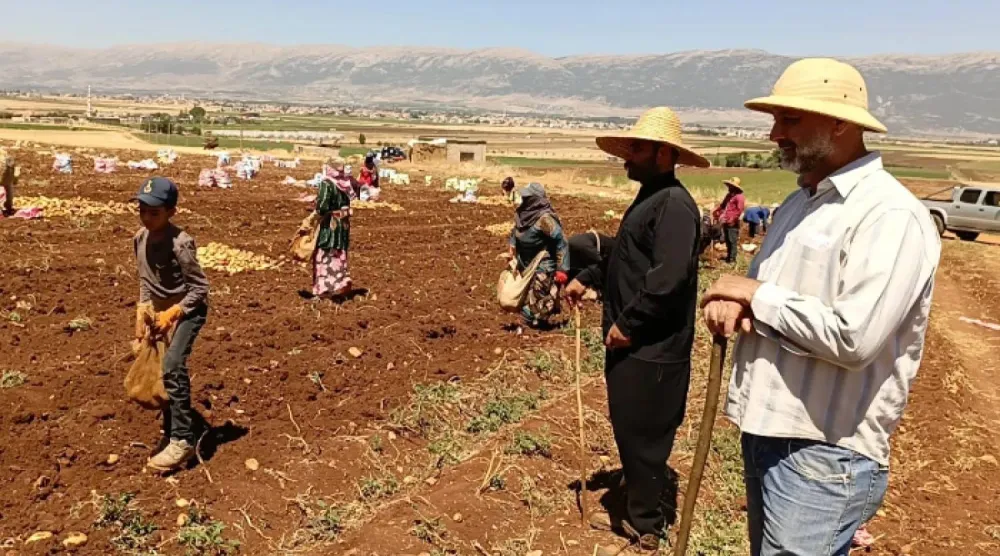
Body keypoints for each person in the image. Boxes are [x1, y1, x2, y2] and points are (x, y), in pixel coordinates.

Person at [702, 58, 940, 556]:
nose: (773, 134)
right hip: (769, 432)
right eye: (775, 120)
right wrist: (741, 306)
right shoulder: (798, 205)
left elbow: (855, 336)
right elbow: (783, 302)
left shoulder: (888, 215)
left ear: (839, 123)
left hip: (826, 451)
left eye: (789, 120)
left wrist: (754, 294)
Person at [563, 107, 706, 551]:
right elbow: (625, 257)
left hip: (653, 348)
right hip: (636, 344)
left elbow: (667, 280)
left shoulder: (675, 206)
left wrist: (628, 324)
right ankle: (640, 490)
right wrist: (587, 278)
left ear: (664, 153)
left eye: (637, 150)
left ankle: (646, 525)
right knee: (631, 424)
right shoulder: (650, 196)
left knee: (644, 432)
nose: (627, 158)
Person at [132, 177, 210, 471]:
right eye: (142, 210)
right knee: (161, 372)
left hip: (189, 310)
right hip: (160, 312)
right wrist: (143, 308)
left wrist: (175, 313)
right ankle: (171, 428)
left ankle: (183, 441)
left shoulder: (181, 244)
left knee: (173, 366)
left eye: (154, 212)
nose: (147, 217)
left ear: (171, 212)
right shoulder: (140, 238)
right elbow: (145, 277)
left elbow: (200, 289)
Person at [509, 183, 570, 326]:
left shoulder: (545, 219)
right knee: (527, 295)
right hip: (525, 261)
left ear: (535, 200)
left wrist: (562, 269)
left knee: (539, 296)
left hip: (543, 262)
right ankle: (536, 317)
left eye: (527, 197)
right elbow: (515, 231)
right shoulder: (522, 214)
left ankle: (528, 320)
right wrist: (511, 246)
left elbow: (562, 242)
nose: (524, 199)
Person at [305, 161, 354, 299]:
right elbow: (346, 204)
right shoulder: (345, 183)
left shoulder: (327, 184)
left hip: (330, 226)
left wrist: (315, 208)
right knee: (338, 253)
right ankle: (340, 281)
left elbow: (322, 207)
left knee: (324, 254)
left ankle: (323, 290)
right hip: (342, 226)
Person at [713, 177, 746, 263]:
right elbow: (723, 205)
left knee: (732, 240)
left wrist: (732, 220)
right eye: (729, 185)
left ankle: (732, 259)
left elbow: (739, 210)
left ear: (735, 187)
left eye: (730, 186)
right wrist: (716, 210)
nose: (729, 187)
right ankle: (728, 257)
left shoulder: (739, 197)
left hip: (733, 222)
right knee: (727, 239)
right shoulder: (729, 195)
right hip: (725, 220)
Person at [1, 147, 15, 216]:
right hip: (5, 181)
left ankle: (8, 208)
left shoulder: (8, 160)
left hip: (7, 181)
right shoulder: (6, 160)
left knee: (9, 195)